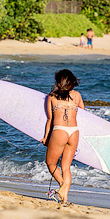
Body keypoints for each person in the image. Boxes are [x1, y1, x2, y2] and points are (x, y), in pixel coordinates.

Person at [40, 69, 83, 204]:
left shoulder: (51, 97)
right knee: (66, 167)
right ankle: (64, 199)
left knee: (51, 163)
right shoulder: (77, 96)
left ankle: (62, 186)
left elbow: (50, 119)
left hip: (60, 131)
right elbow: (84, 113)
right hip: (74, 132)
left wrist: (46, 137)